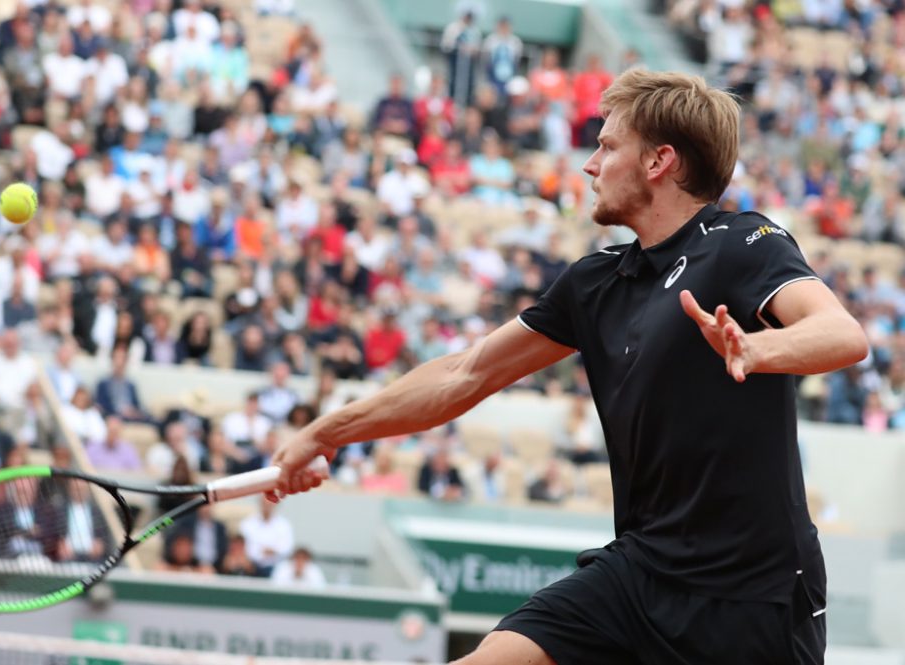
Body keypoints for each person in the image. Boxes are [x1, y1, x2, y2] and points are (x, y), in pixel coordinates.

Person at [269, 69, 869, 664]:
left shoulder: (742, 243)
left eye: (607, 147)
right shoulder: (594, 284)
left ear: (659, 161)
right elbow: (464, 375)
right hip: (638, 573)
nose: (589, 164)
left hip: (752, 597)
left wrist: (758, 349)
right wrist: (326, 433)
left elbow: (841, 333)